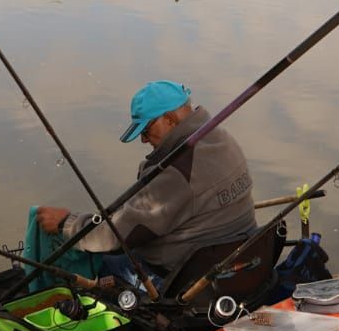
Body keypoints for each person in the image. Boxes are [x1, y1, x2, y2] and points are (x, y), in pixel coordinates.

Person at [36, 80, 256, 289]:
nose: (143, 140)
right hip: (242, 261)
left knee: (90, 262)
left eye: (145, 131)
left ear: (169, 119)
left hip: (185, 280)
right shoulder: (220, 137)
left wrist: (68, 223)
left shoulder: (178, 170)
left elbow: (116, 235)